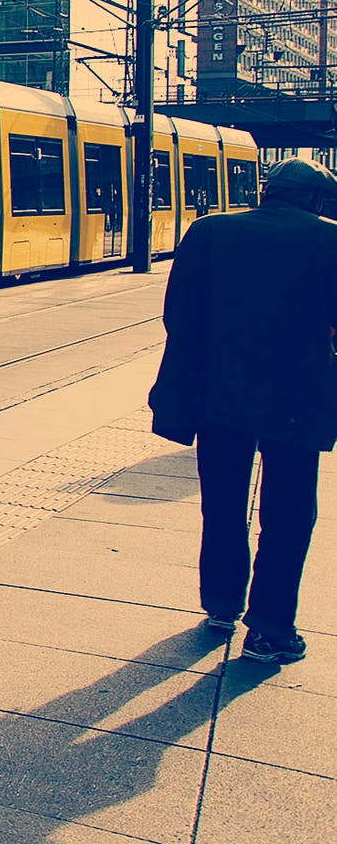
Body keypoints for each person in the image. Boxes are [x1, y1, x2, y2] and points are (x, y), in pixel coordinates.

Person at [148, 156, 337, 666]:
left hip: (219, 399)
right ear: (317, 199)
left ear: (267, 190)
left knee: (224, 504)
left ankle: (222, 604)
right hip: (297, 403)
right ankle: (271, 630)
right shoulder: (330, 239)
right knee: (289, 513)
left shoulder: (208, 232)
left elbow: (178, 317)